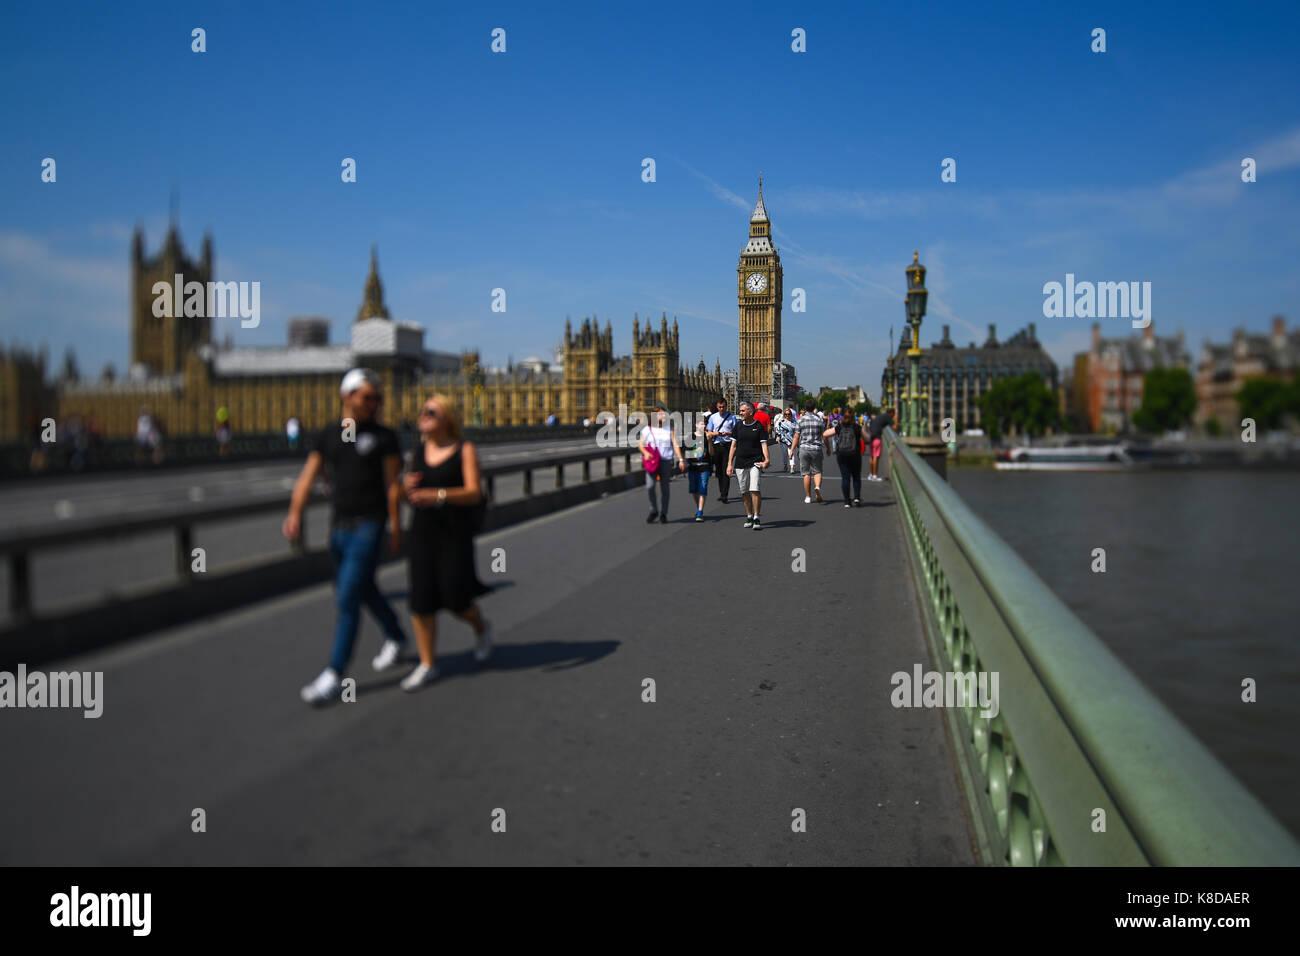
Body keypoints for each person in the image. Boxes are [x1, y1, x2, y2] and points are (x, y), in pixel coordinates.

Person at [284, 368, 410, 705]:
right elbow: (307, 477)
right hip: (339, 528)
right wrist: (295, 513)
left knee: (348, 597)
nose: (375, 403)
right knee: (363, 588)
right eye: (368, 397)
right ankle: (397, 636)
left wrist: (396, 527)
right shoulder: (328, 435)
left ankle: (334, 674)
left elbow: (393, 487)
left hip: (370, 526)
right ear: (347, 396)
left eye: (378, 398)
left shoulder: (385, 437)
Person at [399, 394, 494, 691]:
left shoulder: (464, 449)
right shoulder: (416, 452)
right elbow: (406, 495)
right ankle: (428, 664)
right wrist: (405, 489)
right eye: (423, 411)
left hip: (454, 535)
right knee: (421, 601)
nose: (423, 415)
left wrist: (437, 495)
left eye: (431, 412)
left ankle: (481, 626)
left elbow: (474, 493)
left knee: (456, 599)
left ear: (447, 419)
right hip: (422, 533)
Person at [638, 403, 685, 523]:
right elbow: (640, 445)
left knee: (665, 488)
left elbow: (675, 444)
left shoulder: (669, 428)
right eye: (660, 413)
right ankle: (653, 509)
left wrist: (680, 459)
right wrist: (646, 453)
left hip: (665, 461)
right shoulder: (647, 429)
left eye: (664, 414)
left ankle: (663, 513)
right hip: (652, 461)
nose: (663, 415)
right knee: (650, 486)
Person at [727, 402, 769, 530]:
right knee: (744, 491)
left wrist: (767, 459)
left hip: (755, 462)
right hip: (740, 462)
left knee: (754, 489)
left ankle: (756, 517)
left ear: (751, 412)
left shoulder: (758, 426)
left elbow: (764, 445)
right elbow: (733, 446)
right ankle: (749, 515)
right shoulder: (738, 426)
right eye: (740, 411)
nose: (740, 413)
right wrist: (729, 464)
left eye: (742, 411)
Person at [826, 409, 864, 506]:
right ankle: (856, 498)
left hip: (842, 454)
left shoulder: (839, 427)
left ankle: (847, 501)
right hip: (855, 454)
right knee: (856, 477)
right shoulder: (857, 427)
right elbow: (868, 438)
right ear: (853, 417)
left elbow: (825, 434)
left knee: (845, 478)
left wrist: (828, 447)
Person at [792, 398, 826, 503]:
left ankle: (808, 496)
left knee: (806, 473)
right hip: (816, 448)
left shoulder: (800, 420)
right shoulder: (819, 420)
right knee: (817, 471)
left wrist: (792, 450)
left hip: (804, 448)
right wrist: (828, 447)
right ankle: (817, 487)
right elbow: (823, 435)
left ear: (805, 408)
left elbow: (796, 436)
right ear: (814, 407)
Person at [706, 398, 737, 504]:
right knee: (719, 471)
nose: (721, 409)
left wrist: (728, 434)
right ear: (717, 407)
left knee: (726, 469)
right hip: (717, 445)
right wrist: (718, 434)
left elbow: (736, 432)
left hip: (728, 446)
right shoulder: (713, 417)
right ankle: (721, 492)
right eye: (719, 407)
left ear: (726, 406)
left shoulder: (732, 417)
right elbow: (709, 433)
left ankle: (725, 495)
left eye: (723, 407)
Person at [684, 408, 712, 521]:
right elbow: (686, 453)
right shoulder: (690, 437)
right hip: (693, 466)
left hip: (705, 466)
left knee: (703, 487)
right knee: (694, 490)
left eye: (705, 424)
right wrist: (693, 453)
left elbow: (712, 453)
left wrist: (710, 441)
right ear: (696, 424)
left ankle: (700, 511)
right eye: (701, 424)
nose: (703, 426)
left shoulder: (708, 437)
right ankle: (698, 508)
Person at [868, 407, 896, 482]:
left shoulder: (880, 416)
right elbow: (895, 427)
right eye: (894, 414)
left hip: (871, 437)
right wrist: (896, 419)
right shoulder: (888, 417)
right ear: (892, 413)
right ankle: (875, 476)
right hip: (877, 437)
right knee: (876, 457)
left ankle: (870, 474)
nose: (893, 415)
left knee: (871, 456)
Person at [776, 407, 797, 472]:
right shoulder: (781, 422)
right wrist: (777, 436)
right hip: (783, 440)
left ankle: (792, 467)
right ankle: (785, 465)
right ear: (784, 415)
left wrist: (798, 440)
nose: (787, 415)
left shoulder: (794, 422)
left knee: (791, 453)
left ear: (791, 414)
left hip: (791, 440)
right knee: (784, 455)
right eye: (786, 414)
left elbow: (797, 432)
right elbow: (778, 430)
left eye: (789, 414)